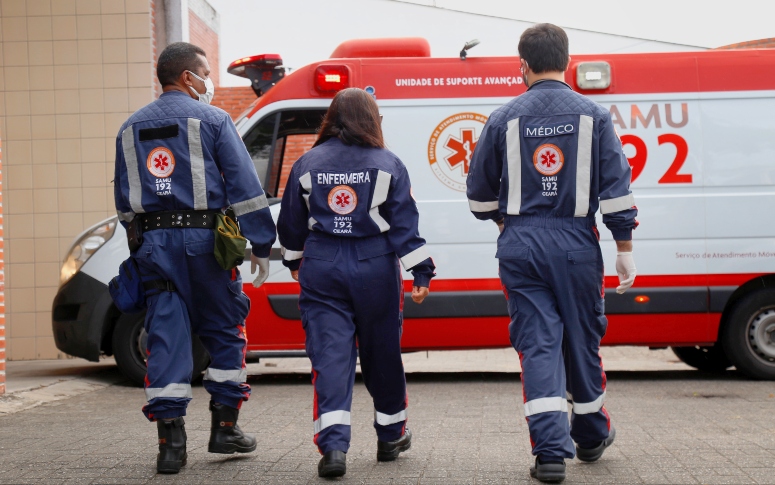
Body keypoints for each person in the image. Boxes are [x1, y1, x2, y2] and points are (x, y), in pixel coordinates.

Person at [466, 24, 638, 483]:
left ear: (521, 64)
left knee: (538, 344)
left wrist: (507, 222)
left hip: (520, 247)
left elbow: (479, 197)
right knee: (582, 340)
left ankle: (549, 455)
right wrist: (624, 248)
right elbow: (617, 192)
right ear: (568, 60)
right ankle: (589, 435)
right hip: (577, 245)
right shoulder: (595, 116)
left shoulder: (503, 118)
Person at [113, 42, 277, 474]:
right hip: (206, 244)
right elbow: (244, 186)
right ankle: (224, 429)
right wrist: (260, 243)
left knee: (165, 334)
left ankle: (171, 447)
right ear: (189, 77)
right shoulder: (214, 120)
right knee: (225, 328)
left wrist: (144, 247)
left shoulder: (129, 129)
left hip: (153, 245)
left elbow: (124, 205)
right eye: (205, 72)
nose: (209, 81)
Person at [277, 88, 435, 478]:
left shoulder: (307, 163)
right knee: (382, 354)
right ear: (371, 119)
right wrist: (421, 272)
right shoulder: (388, 164)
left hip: (323, 265)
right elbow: (404, 226)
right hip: (375, 267)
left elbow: (291, 223)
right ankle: (391, 435)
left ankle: (333, 448)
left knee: (331, 356)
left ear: (332, 118)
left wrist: (295, 260)